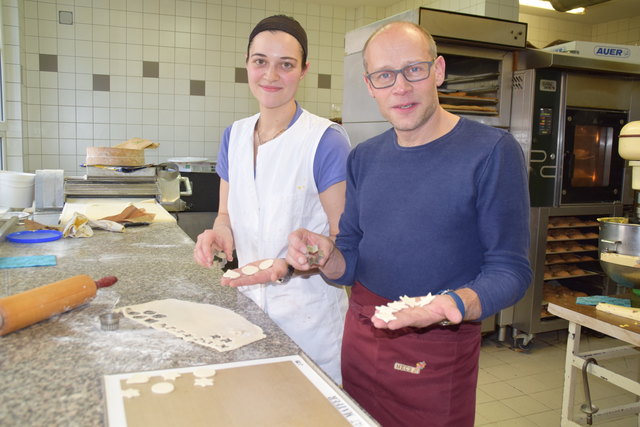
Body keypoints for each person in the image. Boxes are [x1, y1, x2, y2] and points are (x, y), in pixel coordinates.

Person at [285, 21, 532, 426]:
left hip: (437, 348)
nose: (399, 87)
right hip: (363, 337)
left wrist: (450, 306)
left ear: (438, 71)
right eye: (384, 75)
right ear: (370, 86)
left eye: (413, 69)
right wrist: (324, 256)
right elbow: (350, 255)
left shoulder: (490, 152)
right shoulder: (364, 157)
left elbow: (511, 270)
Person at [193, 15, 351, 384]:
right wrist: (219, 233)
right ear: (246, 63)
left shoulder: (325, 140)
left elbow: (344, 240)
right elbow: (224, 213)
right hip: (247, 317)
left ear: (303, 70)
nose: (271, 75)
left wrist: (290, 265)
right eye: (260, 61)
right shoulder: (234, 136)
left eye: (286, 64)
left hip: (309, 325)